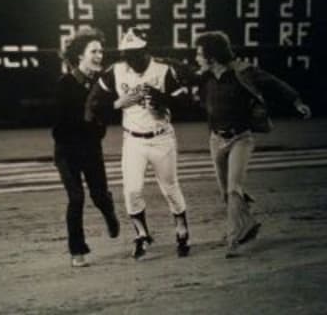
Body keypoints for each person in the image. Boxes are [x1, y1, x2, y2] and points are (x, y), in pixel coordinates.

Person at [193, 31, 312, 258]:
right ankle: (247, 224)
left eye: (199, 54)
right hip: (216, 140)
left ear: (212, 56)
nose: (196, 58)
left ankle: (235, 237)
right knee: (226, 194)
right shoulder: (204, 77)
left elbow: (274, 83)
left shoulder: (243, 72)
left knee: (234, 188)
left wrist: (296, 101)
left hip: (241, 139)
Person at [85, 27, 190, 260]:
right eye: (126, 53)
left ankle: (182, 228)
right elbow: (94, 104)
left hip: (161, 137)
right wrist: (118, 102)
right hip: (133, 140)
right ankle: (141, 235)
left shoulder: (163, 69)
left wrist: (162, 99)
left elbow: (186, 102)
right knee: (131, 190)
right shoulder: (116, 71)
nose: (129, 58)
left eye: (134, 53)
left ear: (145, 51)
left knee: (170, 188)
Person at [52, 27, 120, 267]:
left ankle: (109, 213)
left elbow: (107, 117)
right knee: (77, 198)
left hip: (91, 149)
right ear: (80, 56)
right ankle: (77, 251)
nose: (99, 55)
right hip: (67, 152)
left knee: (100, 196)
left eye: (101, 51)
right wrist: (87, 124)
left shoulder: (103, 85)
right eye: (94, 51)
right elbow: (58, 128)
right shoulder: (65, 84)